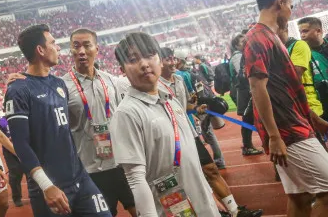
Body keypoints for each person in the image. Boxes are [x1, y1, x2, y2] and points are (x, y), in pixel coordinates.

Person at [244, 0, 328, 215]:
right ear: (280, 2)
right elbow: (258, 88)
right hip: (288, 130)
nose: (291, 10)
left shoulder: (270, 36)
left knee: (300, 196)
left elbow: (287, 88)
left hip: (293, 124)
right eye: (290, 4)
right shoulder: (257, 38)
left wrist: (312, 118)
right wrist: (274, 136)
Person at [4, 24, 111, 217]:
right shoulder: (18, 90)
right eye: (53, 43)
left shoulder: (59, 84)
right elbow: (21, 144)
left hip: (80, 179)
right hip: (50, 189)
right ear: (41, 50)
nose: (58, 47)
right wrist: (46, 186)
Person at [111, 32, 219, 217]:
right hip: (169, 209)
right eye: (133, 59)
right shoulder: (126, 114)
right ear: (122, 69)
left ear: (160, 60)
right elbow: (135, 179)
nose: (144, 64)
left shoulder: (171, 101)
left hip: (203, 205)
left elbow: (191, 160)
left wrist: (210, 197)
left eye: (149, 55)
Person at [160, 47, 262, 217]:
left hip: (190, 133)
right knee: (186, 180)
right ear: (159, 61)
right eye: (167, 59)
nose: (172, 62)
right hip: (173, 140)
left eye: (173, 58)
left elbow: (185, 106)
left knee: (211, 170)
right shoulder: (157, 86)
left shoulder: (179, 79)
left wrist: (198, 108)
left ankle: (234, 211)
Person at [62, 28, 136, 216]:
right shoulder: (61, 87)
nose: (81, 51)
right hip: (89, 170)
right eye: (75, 46)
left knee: (141, 211)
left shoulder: (112, 81)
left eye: (87, 45)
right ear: (70, 50)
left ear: (96, 49)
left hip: (121, 163)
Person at [296, 17, 328, 183]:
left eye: (305, 31)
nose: (301, 35)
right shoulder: (304, 53)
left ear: (318, 31)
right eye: (300, 32)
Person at [229, 34, 263, 156]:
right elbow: (243, 73)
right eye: (242, 41)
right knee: (250, 118)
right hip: (245, 91)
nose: (246, 42)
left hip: (246, 90)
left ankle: (248, 145)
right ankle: (248, 146)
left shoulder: (241, 54)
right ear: (237, 45)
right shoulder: (238, 56)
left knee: (250, 119)